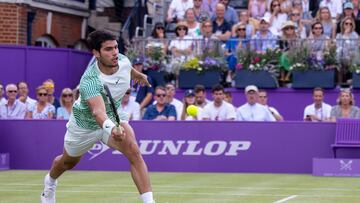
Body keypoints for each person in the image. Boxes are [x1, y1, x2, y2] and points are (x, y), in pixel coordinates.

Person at [40, 30, 155, 203]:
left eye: (116, 47)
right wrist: (112, 129)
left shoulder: (122, 60)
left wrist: (138, 75)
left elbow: (127, 68)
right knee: (67, 162)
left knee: (133, 151)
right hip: (85, 124)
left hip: (114, 114)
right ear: (96, 53)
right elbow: (98, 112)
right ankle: (50, 182)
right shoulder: (90, 81)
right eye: (108, 49)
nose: (115, 52)